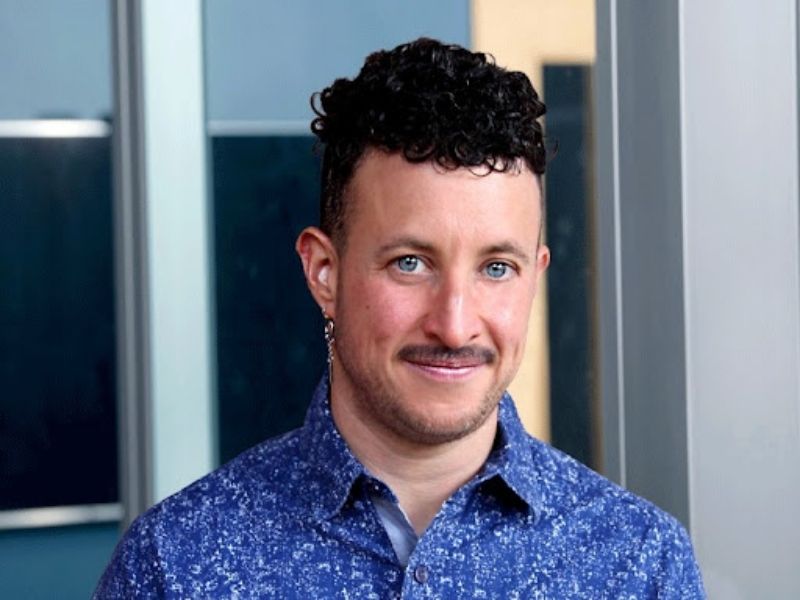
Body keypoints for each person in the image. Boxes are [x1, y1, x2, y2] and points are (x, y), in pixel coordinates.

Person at [95, 38, 705, 598]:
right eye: (410, 263)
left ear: (535, 277)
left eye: (496, 267)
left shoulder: (639, 564)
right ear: (323, 273)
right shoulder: (174, 567)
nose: (455, 324)